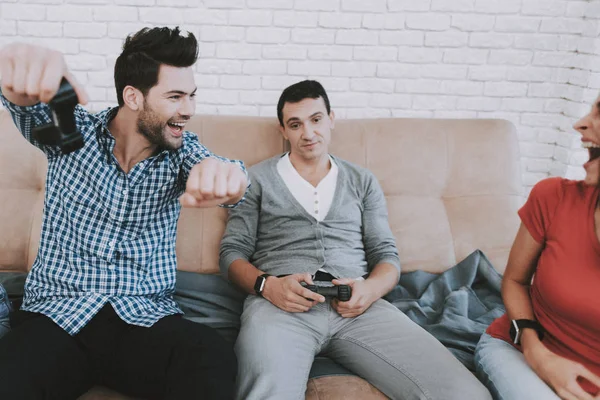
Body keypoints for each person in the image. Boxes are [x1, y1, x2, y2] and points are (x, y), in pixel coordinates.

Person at [0, 27, 247, 400]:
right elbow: (25, 106)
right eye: (176, 96)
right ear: (133, 96)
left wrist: (232, 177)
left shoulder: (181, 151)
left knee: (210, 357)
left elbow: (218, 169)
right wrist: (12, 71)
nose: (189, 110)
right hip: (58, 316)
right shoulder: (72, 135)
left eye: (192, 96)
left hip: (143, 320)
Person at [219, 79, 492, 400]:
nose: (308, 133)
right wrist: (268, 287)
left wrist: (370, 289)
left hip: (358, 309)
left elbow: (387, 256)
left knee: (467, 394)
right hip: (280, 308)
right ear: (283, 130)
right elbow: (231, 254)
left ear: (331, 119)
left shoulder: (362, 181)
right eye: (296, 124)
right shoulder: (256, 179)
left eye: (316, 119)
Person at [475, 97, 600, 400]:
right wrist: (536, 353)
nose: (580, 122)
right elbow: (515, 281)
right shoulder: (553, 197)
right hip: (522, 351)